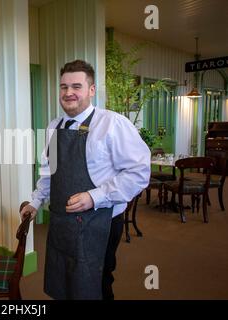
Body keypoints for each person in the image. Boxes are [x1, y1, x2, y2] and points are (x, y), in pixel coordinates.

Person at [20, 59, 150, 300]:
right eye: (63, 87)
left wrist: (94, 196)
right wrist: (35, 201)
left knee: (95, 283)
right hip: (62, 222)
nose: (68, 93)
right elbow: (49, 172)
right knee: (64, 276)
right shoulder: (53, 127)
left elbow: (139, 172)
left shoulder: (112, 124)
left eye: (76, 86)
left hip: (99, 223)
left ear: (91, 90)